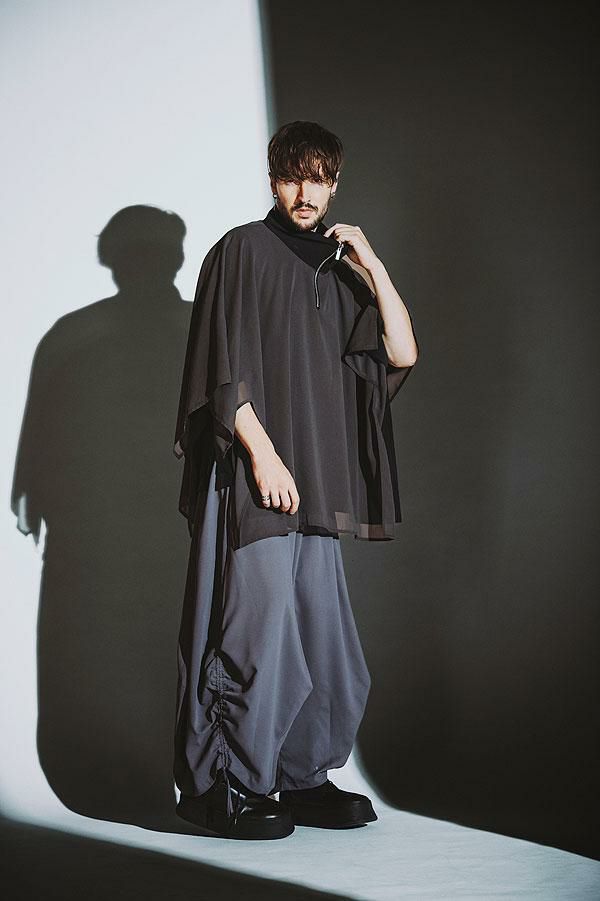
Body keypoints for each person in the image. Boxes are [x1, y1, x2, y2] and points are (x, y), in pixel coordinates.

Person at [172, 121, 419, 840]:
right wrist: (261, 452)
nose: (304, 192)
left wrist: (373, 264)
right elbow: (222, 364)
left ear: (334, 184)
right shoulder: (241, 250)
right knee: (253, 629)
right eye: (291, 176)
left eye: (317, 178)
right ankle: (226, 782)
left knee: (322, 639)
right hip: (257, 472)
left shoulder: (340, 271)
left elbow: (402, 351)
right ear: (273, 179)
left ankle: (302, 773)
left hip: (315, 482)